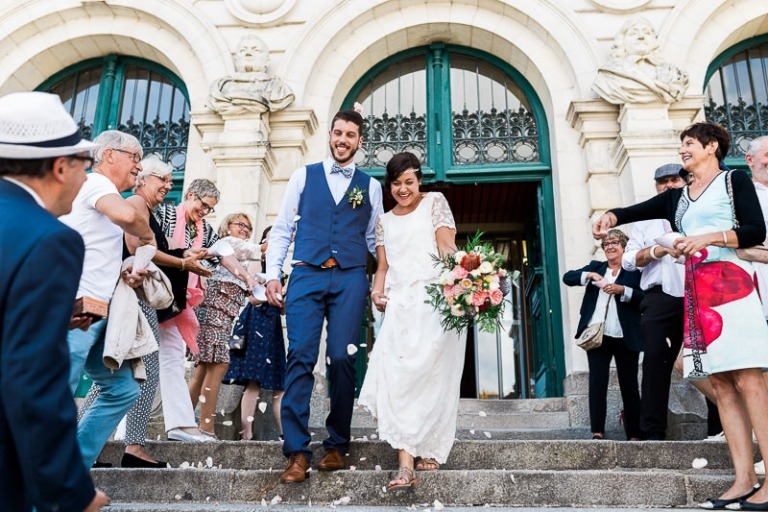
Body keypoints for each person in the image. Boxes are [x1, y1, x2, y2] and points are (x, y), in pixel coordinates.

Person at [593, 122, 768, 510]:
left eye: (689, 144)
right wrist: (609, 215)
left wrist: (709, 237)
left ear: (711, 147)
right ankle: (743, 479)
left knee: (749, 380)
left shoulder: (732, 181)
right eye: (682, 144)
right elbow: (633, 210)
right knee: (720, 385)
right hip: (698, 294)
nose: (683, 150)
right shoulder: (677, 198)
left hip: (734, 288)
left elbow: (755, 230)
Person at [0, 91, 110, 511]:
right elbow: (33, 380)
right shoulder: (51, 240)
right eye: (85, 165)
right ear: (60, 167)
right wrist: (71, 491)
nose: (86, 179)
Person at [266, 108, 384, 483]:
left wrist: (384, 279)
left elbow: (375, 239)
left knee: (342, 358)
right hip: (305, 274)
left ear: (360, 141)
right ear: (330, 136)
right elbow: (283, 227)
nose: (343, 140)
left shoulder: (371, 186)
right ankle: (297, 452)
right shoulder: (303, 176)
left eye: (350, 135)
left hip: (350, 278)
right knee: (300, 355)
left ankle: (336, 444)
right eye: (338, 133)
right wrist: (274, 274)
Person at [77, 155, 210, 466]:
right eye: (162, 179)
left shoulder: (142, 207)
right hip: (133, 299)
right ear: (143, 180)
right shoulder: (136, 203)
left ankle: (86, 443)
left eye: (168, 179)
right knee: (142, 372)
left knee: (114, 377)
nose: (168, 184)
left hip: (129, 298)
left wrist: (180, 254)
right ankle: (133, 447)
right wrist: (181, 262)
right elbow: (138, 249)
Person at [358, 152, 462, 490]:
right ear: (389, 186)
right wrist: (377, 292)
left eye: (409, 182)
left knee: (432, 378)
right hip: (401, 304)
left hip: (435, 302)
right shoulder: (384, 221)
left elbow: (447, 248)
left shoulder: (435, 202)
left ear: (419, 181)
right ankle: (405, 463)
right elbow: (383, 267)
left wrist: (465, 284)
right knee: (401, 380)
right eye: (397, 184)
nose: (403, 189)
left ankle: (428, 446)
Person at [60, 130, 157, 469]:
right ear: (110, 155)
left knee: (123, 391)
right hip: (74, 309)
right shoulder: (97, 183)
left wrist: (127, 268)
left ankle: (71, 471)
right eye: (134, 157)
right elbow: (129, 217)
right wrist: (148, 238)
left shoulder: (99, 193)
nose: (139, 166)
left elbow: (98, 252)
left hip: (99, 313)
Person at [154, 178, 256, 442]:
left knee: (175, 361)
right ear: (190, 195)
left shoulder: (207, 232)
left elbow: (223, 253)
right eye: (204, 205)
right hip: (152, 292)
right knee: (139, 364)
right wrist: (183, 260)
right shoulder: (164, 213)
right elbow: (149, 246)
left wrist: (246, 277)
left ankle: (180, 425)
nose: (205, 211)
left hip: (179, 302)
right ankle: (128, 431)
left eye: (210, 208)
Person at [621, 163, 688, 440]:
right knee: (655, 363)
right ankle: (652, 431)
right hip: (659, 297)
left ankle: (718, 427)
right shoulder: (645, 222)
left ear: (685, 182)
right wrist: (657, 251)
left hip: (701, 293)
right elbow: (628, 260)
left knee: (711, 360)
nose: (668, 185)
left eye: (674, 180)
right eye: (663, 182)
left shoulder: (697, 213)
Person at [563, 229, 644, 441]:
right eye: (606, 243)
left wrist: (622, 290)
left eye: (615, 242)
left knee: (629, 385)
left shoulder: (634, 271)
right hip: (598, 334)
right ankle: (597, 431)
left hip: (626, 335)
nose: (609, 246)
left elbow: (644, 297)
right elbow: (567, 277)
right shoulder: (596, 267)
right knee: (597, 383)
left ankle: (634, 433)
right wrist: (589, 275)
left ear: (624, 246)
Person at [188, 212, 262, 438]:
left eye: (248, 227)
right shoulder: (225, 243)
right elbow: (250, 252)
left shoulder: (243, 252)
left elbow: (254, 283)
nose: (245, 229)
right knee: (219, 363)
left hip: (225, 312)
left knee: (204, 367)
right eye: (240, 224)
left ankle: (181, 422)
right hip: (213, 307)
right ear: (226, 225)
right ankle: (206, 427)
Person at [224, 226, 286, 441]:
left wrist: (284, 299)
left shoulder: (283, 263)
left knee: (279, 381)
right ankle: (246, 433)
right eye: (270, 238)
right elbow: (251, 298)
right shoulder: (257, 260)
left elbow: (284, 308)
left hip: (274, 323)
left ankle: (285, 433)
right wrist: (275, 295)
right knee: (254, 381)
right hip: (257, 321)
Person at [592, 17, 689, 104]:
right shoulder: (611, 75)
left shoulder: (671, 73)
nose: (641, 36)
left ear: (654, 41)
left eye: (647, 33)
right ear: (622, 42)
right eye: (633, 33)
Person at [209, 35, 295, 115]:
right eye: (243, 50)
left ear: (267, 61)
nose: (248, 53)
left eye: (256, 50)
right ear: (236, 60)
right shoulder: (220, 88)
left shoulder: (277, 88)